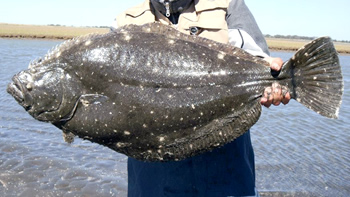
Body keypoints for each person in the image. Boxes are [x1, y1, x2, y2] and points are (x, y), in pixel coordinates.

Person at [112, 0, 290, 196]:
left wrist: (271, 75)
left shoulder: (228, 5)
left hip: (226, 177)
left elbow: (258, 60)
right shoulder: (125, 21)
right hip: (151, 181)